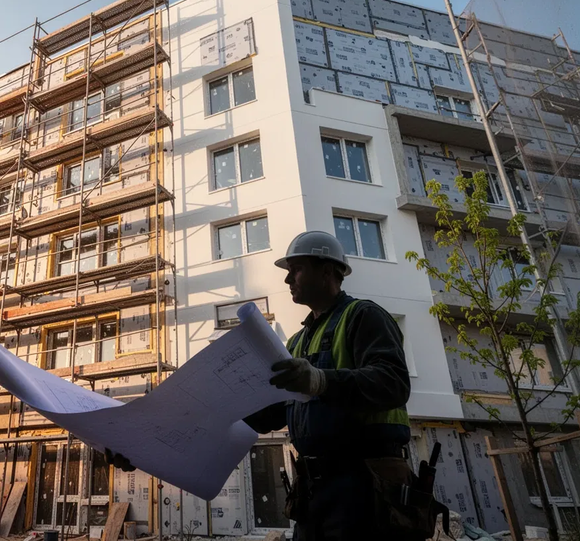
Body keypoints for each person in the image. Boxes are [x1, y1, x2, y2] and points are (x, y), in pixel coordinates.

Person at [108, 231, 425, 540]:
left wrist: (320, 380)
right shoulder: (298, 341)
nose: (288, 280)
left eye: (296, 270)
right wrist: (146, 446)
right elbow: (255, 414)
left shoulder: (364, 316)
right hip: (316, 491)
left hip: (366, 484)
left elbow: (393, 383)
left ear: (327, 271)